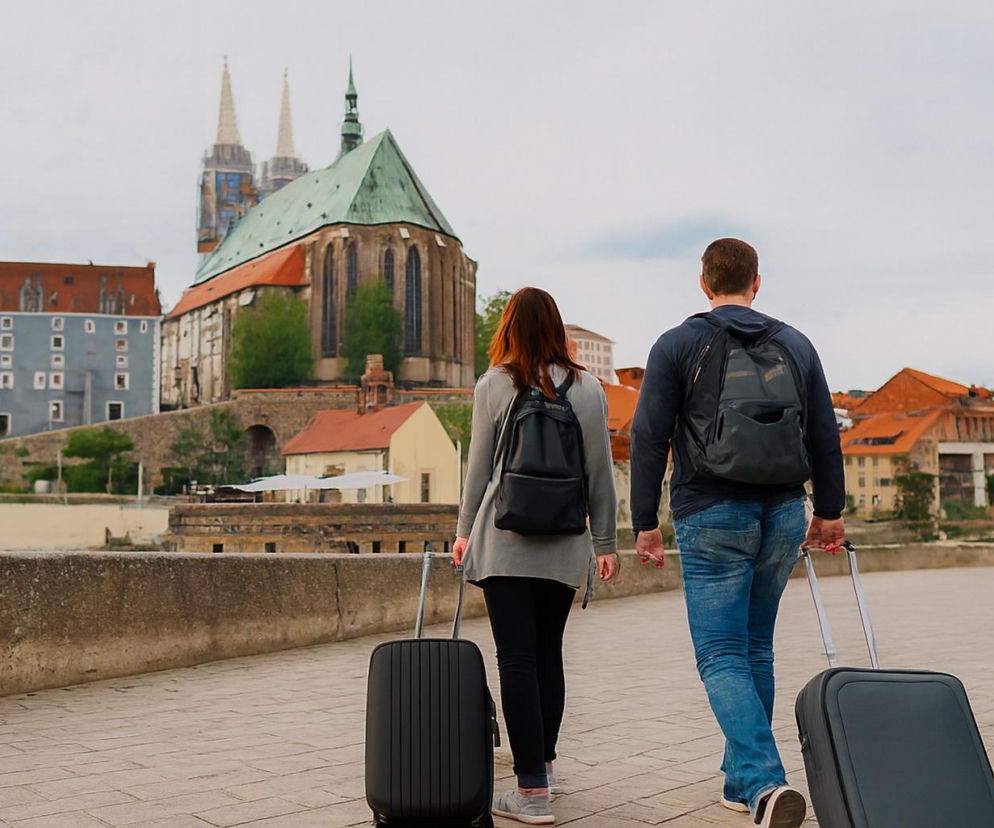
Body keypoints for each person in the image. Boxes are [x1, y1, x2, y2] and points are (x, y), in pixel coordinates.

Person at [629, 239, 844, 828]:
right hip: (783, 511)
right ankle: (739, 780)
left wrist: (645, 521)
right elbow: (824, 433)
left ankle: (765, 782)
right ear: (757, 282)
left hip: (711, 509)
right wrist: (830, 510)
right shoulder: (796, 344)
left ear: (703, 283)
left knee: (721, 653)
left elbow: (649, 436)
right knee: (754, 648)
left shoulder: (677, 344)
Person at [453, 286, 620, 826]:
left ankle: (530, 793)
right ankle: (543, 769)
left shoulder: (493, 384)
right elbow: (600, 473)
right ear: (557, 328)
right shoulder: (589, 389)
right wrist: (605, 544)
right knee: (548, 655)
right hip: (565, 542)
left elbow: (479, 469)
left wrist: (463, 532)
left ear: (508, 327)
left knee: (516, 660)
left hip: (504, 542)